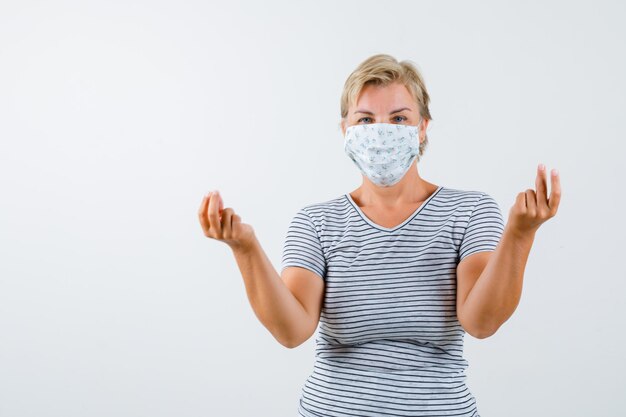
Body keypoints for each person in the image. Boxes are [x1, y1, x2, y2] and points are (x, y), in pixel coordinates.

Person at [197, 54, 561, 417]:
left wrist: (519, 234)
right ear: (345, 130)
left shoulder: (468, 212)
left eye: (399, 118)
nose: (382, 130)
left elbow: (482, 322)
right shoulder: (316, 222)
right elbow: (292, 331)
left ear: (422, 127)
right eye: (366, 119)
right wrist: (244, 248)